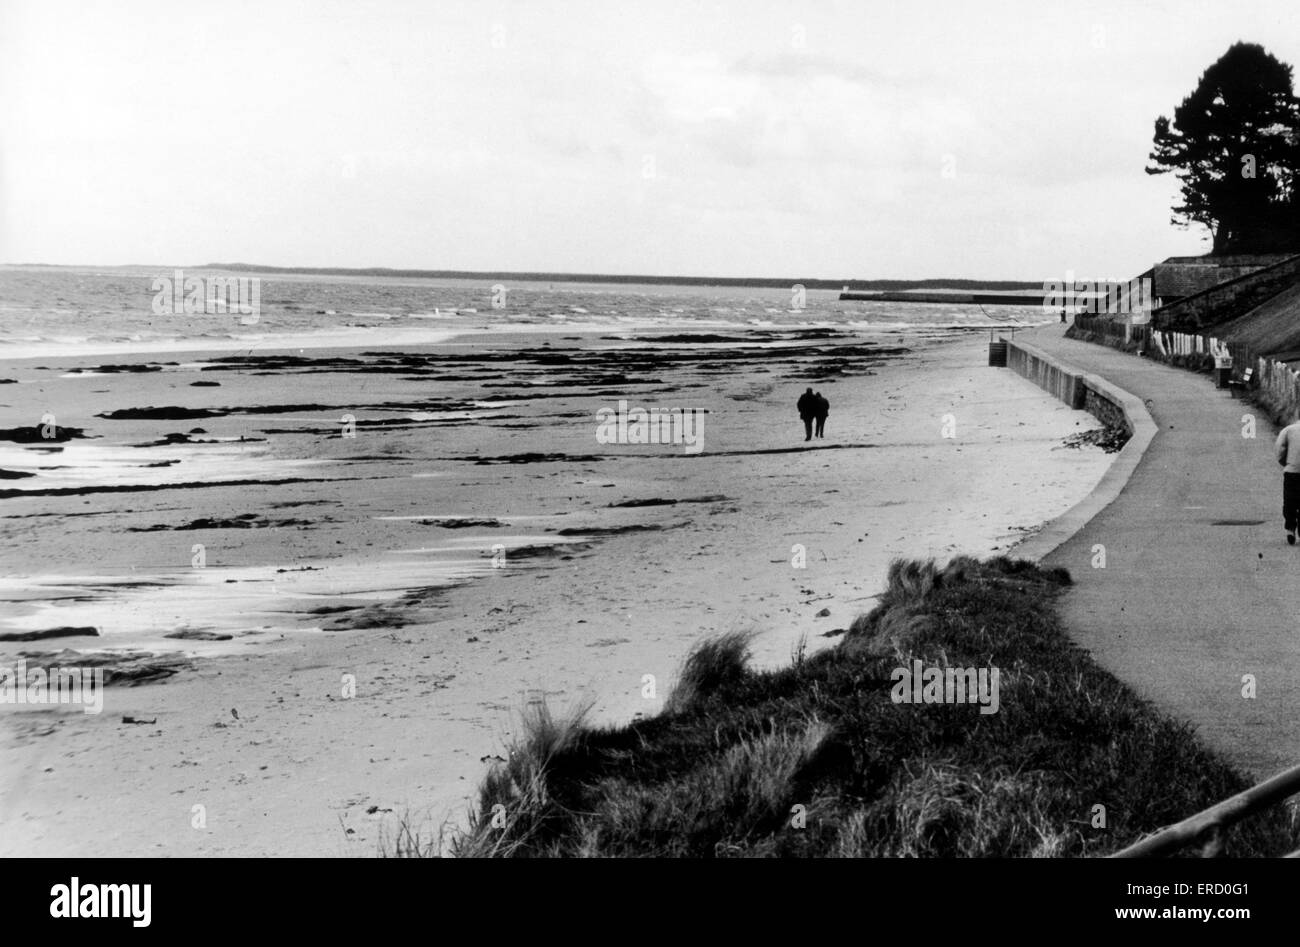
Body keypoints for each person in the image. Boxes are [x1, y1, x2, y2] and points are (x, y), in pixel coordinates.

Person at [1276, 414, 1300, 544]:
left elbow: (1280, 449)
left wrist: (1286, 463)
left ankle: (1290, 528)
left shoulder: (1289, 430)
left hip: (1292, 472)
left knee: (1290, 501)